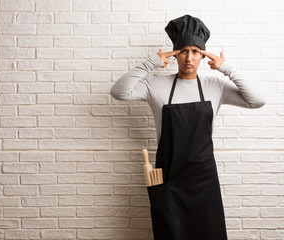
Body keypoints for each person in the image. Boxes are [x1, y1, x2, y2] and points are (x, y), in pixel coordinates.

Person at [110, 15, 265, 240]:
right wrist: (151, 64)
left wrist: (226, 68)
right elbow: (119, 92)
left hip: (204, 183)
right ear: (175, 54)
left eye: (195, 51)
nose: (189, 58)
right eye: (183, 51)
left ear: (203, 54)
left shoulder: (216, 86)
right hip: (170, 182)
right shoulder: (156, 85)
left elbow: (257, 100)